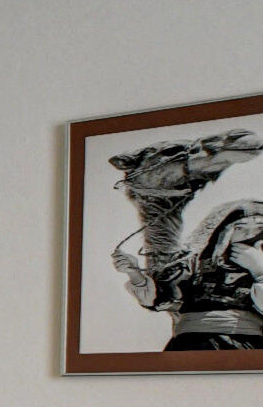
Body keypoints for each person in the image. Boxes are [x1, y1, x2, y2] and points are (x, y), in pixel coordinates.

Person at [108, 129, 263, 350]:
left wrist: (259, 271)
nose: (249, 233)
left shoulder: (255, 262)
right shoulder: (193, 264)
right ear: (225, 229)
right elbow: (162, 298)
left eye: (259, 228)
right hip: (188, 344)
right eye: (240, 227)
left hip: (241, 346)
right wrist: (134, 273)